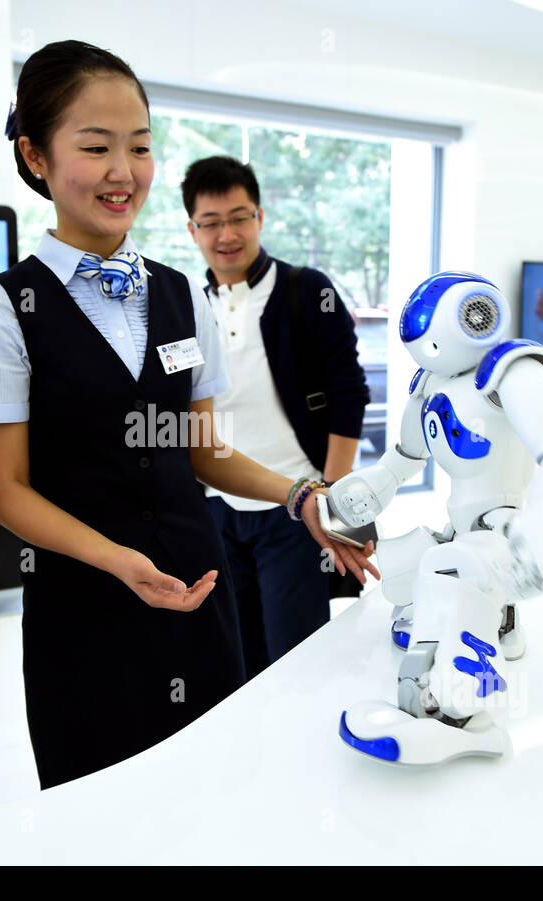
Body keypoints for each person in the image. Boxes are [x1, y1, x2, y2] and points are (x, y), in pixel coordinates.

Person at [0, 40, 377, 790]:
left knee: (210, 782)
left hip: (195, 581)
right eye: (96, 147)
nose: (124, 172)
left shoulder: (181, 293)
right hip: (83, 598)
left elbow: (204, 451)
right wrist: (118, 560)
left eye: (140, 147)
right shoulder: (1, 307)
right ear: (36, 155)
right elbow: (8, 490)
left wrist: (301, 496)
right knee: (100, 794)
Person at [181, 156, 369, 679]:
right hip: (218, 509)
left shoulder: (306, 290)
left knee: (297, 656)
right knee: (238, 656)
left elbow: (349, 392)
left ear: (260, 217)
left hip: (296, 503)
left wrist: (332, 493)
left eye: (239, 217)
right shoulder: (189, 306)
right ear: (192, 229)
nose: (227, 234)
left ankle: (303, 754)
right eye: (211, 222)